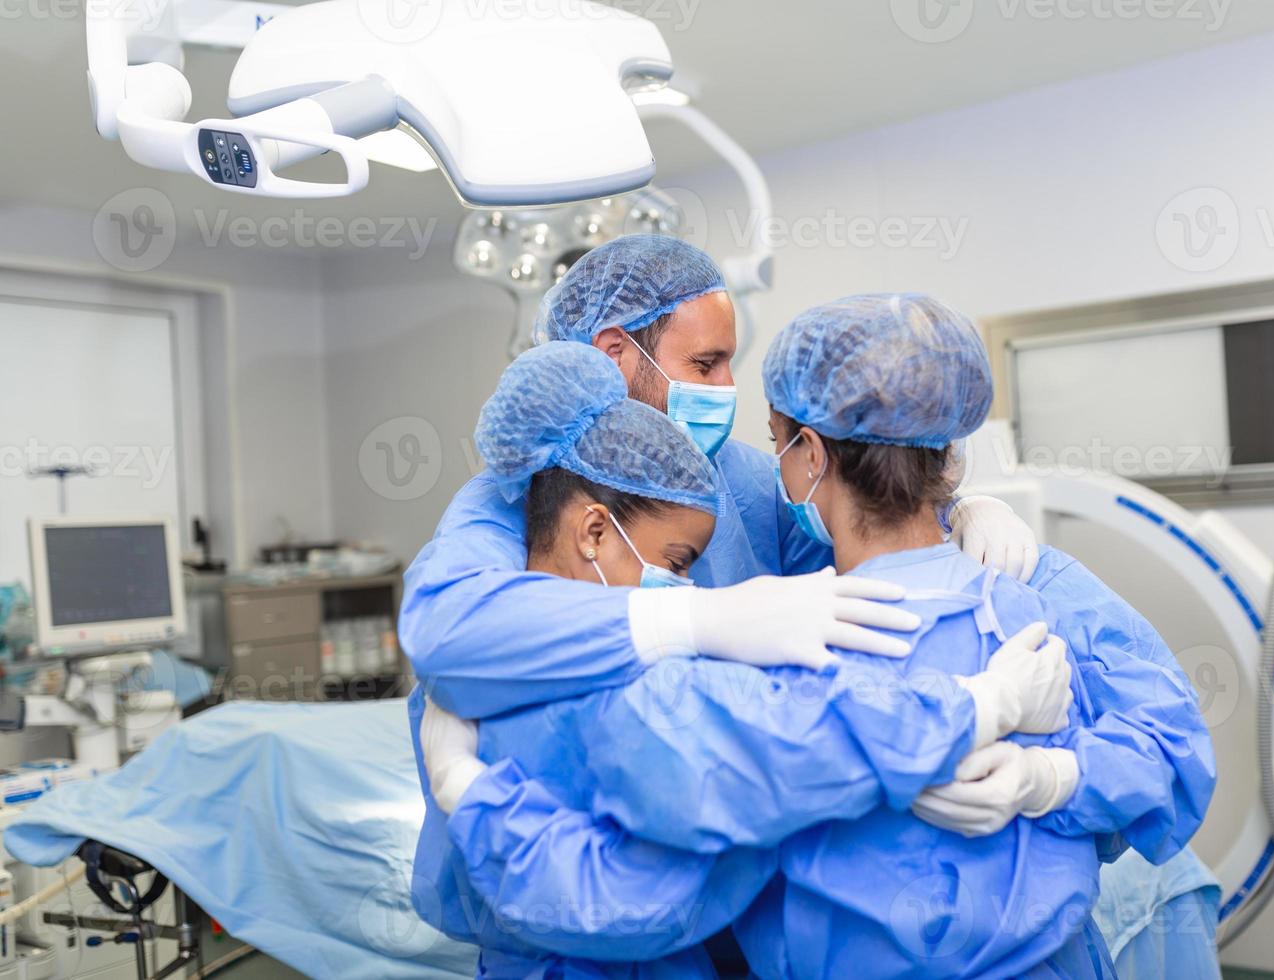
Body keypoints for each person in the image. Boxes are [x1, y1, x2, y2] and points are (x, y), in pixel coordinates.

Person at [422, 295, 1216, 977]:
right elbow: (1175, 752)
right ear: (946, 447)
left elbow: (639, 895)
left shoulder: (769, 663)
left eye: (776, 444)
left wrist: (474, 799)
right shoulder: (1033, 602)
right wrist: (1059, 779)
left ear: (809, 454)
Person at [397, 235, 1040, 724]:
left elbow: (871, 542)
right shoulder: (517, 492)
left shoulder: (741, 478)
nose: (725, 389)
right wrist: (692, 621)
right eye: (704, 365)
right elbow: (446, 631)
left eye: (730, 364)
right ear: (614, 352)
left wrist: (956, 512)